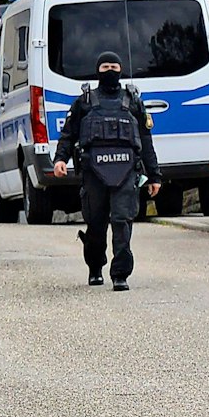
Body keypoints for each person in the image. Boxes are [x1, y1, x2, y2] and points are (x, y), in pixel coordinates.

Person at [52, 51, 160, 290]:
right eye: (105, 67)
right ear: (97, 70)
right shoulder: (85, 101)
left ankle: (120, 274)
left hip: (127, 171)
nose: (110, 70)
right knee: (96, 223)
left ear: (120, 70)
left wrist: (154, 176)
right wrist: (60, 160)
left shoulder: (132, 100)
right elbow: (68, 135)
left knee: (122, 221)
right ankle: (95, 267)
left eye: (114, 66)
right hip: (93, 172)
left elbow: (145, 140)